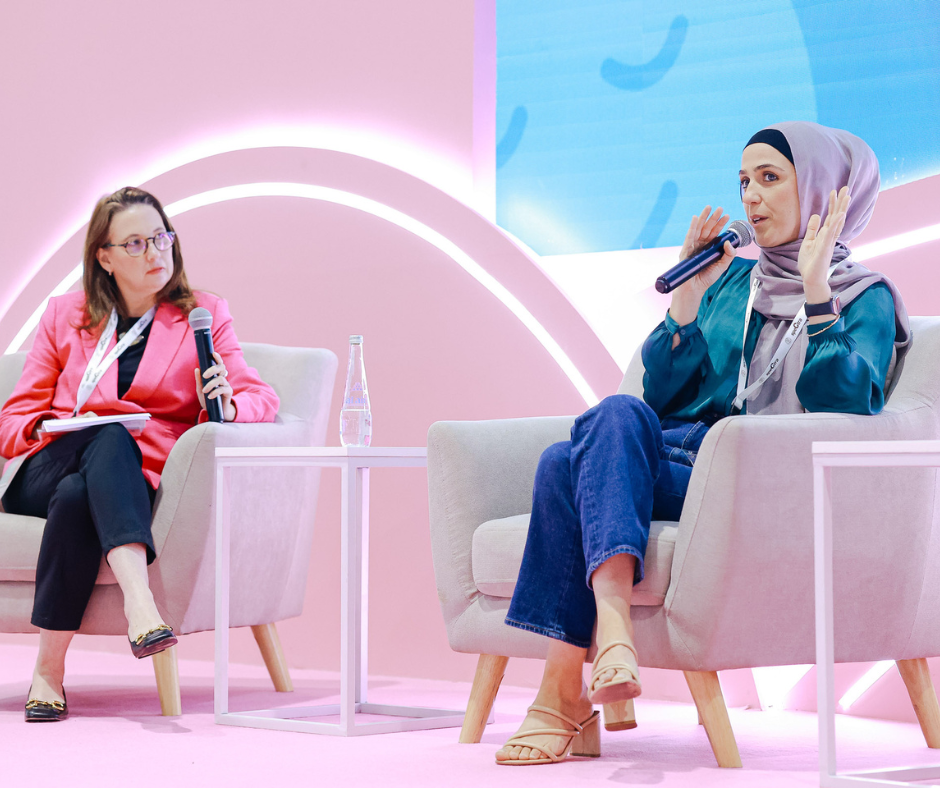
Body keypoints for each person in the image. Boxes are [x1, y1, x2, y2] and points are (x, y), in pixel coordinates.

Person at [495, 121, 911, 765]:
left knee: (563, 464)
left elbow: (849, 404)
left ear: (829, 195)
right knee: (603, 429)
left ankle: (565, 695)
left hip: (759, 484)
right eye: (743, 181)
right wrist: (685, 307)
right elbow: (660, 400)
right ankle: (605, 639)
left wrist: (818, 293)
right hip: (690, 465)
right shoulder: (729, 283)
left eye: (770, 179)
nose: (750, 197)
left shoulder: (865, 297)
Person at [0, 187, 280, 722]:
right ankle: (140, 601)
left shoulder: (202, 313)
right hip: (46, 466)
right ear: (103, 257)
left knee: (81, 493)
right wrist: (63, 427)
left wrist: (223, 403)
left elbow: (261, 398)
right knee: (104, 439)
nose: (155, 252)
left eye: (160, 237)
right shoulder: (65, 315)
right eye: (135, 243)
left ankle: (48, 672)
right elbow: (12, 420)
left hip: (125, 479)